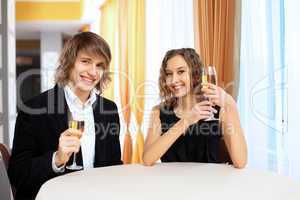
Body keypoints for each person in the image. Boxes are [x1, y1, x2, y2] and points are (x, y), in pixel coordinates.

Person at [8, 32, 122, 200]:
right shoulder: (34, 108)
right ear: (69, 63)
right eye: (85, 61)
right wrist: (57, 159)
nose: (93, 72)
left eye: (100, 65)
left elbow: (114, 164)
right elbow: (18, 174)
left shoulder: (109, 109)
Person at [142, 48, 247, 168]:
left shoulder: (219, 109)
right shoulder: (158, 112)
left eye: (181, 72)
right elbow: (147, 159)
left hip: (210, 184)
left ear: (195, 73)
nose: (174, 80)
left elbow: (240, 162)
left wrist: (231, 104)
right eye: (169, 74)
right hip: (172, 184)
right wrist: (186, 120)